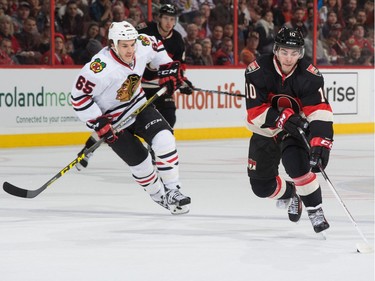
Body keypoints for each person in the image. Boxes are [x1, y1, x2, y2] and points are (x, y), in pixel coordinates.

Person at [70, 21, 191, 215]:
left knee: (165, 139)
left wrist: (167, 69)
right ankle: (160, 195)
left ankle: (173, 190)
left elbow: (157, 46)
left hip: (139, 106)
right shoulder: (98, 69)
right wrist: (99, 122)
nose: (130, 49)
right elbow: (78, 98)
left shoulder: (141, 44)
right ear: (112, 45)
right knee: (142, 162)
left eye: (132, 44)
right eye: (124, 45)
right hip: (114, 122)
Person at [244, 26, 334, 234]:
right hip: (266, 130)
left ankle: (315, 209)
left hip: (295, 128)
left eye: (294, 53)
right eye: (284, 52)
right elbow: (255, 112)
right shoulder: (257, 70)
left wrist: (322, 142)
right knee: (261, 187)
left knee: (298, 165)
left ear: (300, 53)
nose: (288, 58)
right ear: (276, 50)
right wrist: (281, 117)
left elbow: (319, 111)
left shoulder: (309, 75)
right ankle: (291, 193)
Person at [136, 3, 194, 128]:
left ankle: (158, 146)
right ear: (159, 18)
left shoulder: (178, 40)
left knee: (169, 117)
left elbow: (179, 66)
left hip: (161, 86)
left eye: (172, 19)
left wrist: (183, 82)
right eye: (166, 18)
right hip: (137, 86)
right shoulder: (144, 30)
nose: (169, 22)